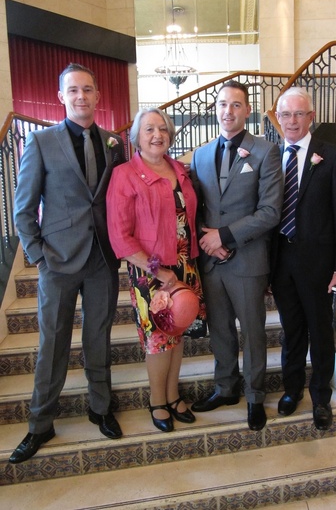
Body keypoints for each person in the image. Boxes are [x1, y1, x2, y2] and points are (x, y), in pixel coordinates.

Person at [10, 63, 125, 464]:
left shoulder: (115, 143)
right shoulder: (41, 142)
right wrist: (39, 257)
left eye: (87, 89)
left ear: (97, 96)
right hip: (57, 262)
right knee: (53, 343)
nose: (81, 96)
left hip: (102, 259)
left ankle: (100, 407)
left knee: (99, 338)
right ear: (61, 97)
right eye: (73, 90)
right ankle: (40, 423)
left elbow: (119, 200)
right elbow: (23, 209)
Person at [190, 80, 283, 431]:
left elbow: (270, 212)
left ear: (247, 110)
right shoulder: (200, 154)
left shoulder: (265, 151)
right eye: (222, 104)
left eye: (235, 104)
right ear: (215, 109)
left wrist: (225, 236)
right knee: (220, 330)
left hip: (247, 259)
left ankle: (255, 395)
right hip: (210, 260)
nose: (227, 111)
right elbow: (195, 207)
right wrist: (207, 238)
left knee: (253, 332)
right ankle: (226, 388)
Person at [106, 107, 206, 433]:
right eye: (149, 129)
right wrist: (159, 271)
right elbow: (120, 237)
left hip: (185, 263)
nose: (157, 135)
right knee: (159, 339)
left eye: (162, 129)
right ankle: (157, 400)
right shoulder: (125, 174)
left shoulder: (179, 170)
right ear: (137, 137)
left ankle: (174, 395)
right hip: (150, 271)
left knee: (178, 332)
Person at [270, 87, 336, 430]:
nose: (292, 120)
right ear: (277, 118)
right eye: (285, 114)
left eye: (299, 113)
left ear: (311, 117)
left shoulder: (332, 156)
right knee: (291, 331)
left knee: (319, 331)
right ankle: (291, 391)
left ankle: (320, 396)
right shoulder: (270, 156)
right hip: (280, 262)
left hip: (318, 265)